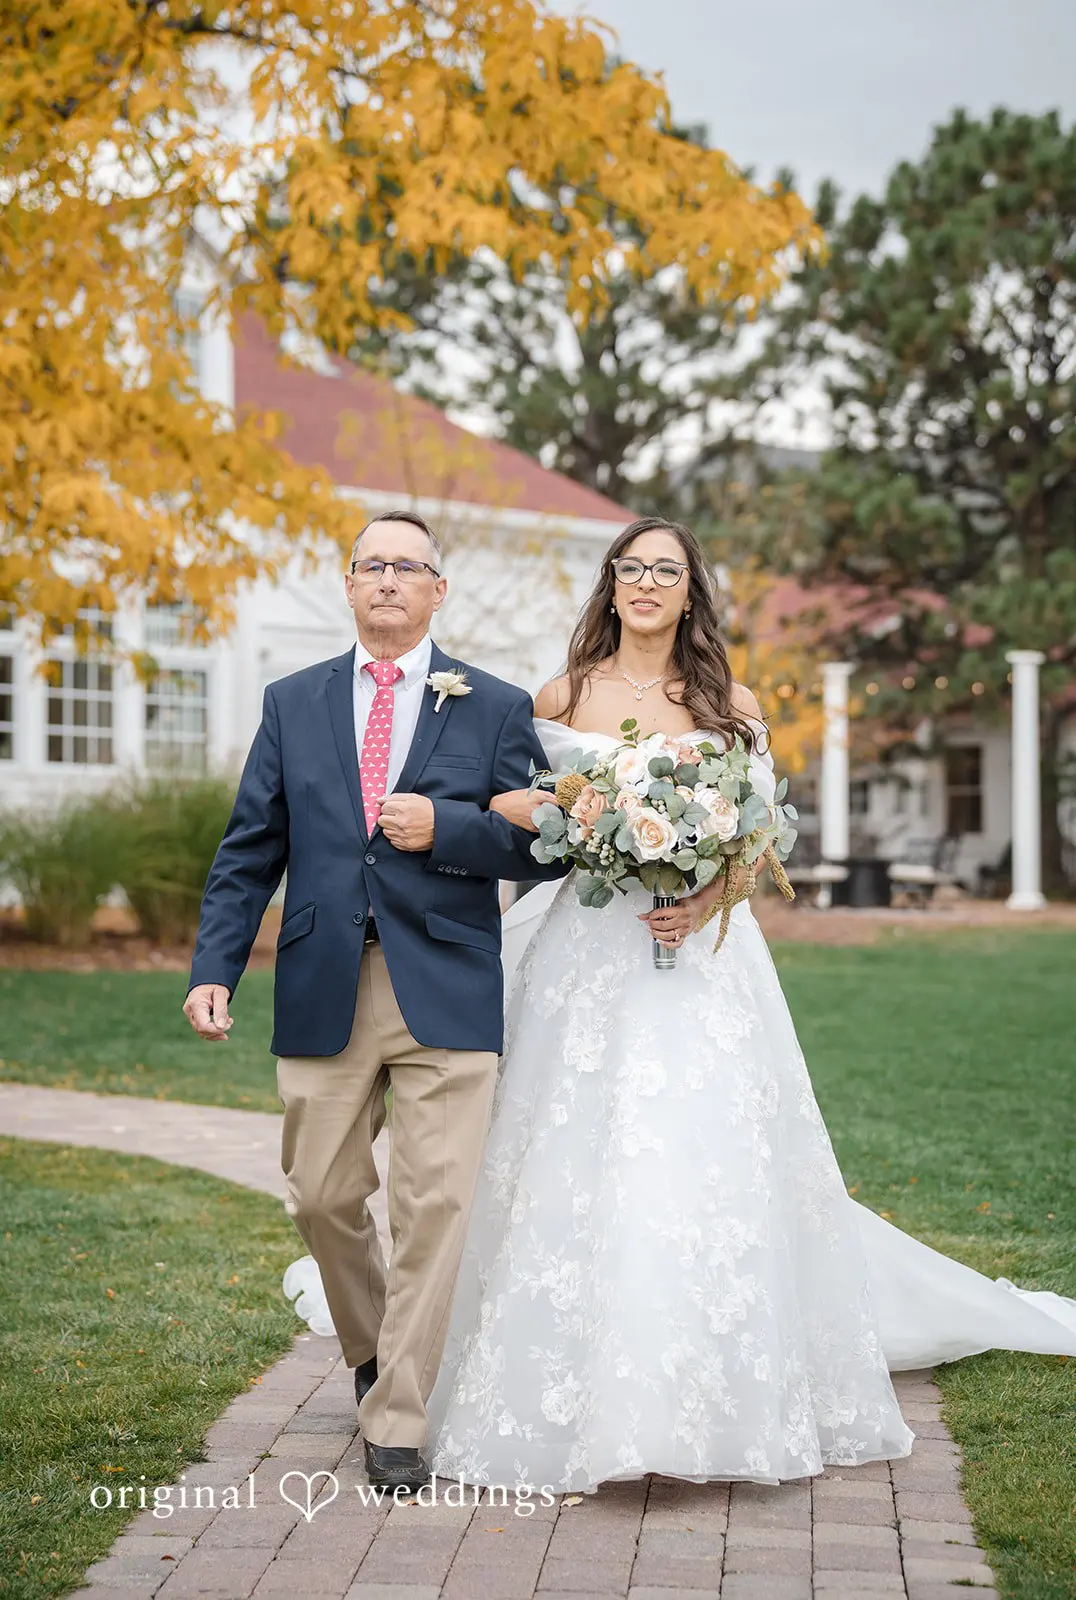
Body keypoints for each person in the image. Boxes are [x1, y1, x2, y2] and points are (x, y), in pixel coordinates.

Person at [285, 515, 1076, 1494]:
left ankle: (705, 1388)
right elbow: (521, 815)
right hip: (582, 948)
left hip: (697, 957)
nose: (648, 583)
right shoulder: (559, 696)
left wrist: (705, 892)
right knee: (559, 1148)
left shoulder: (724, 699)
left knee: (698, 1153)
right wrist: (577, 824)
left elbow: (753, 841)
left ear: (690, 590)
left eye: (666, 570)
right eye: (632, 568)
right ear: (610, 585)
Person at [184, 509, 567, 1494]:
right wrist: (213, 965)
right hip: (322, 983)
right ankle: (370, 1349)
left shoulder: (494, 704)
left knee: (433, 1202)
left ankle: (396, 1412)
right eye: (372, 565)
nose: (389, 579)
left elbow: (539, 844)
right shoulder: (292, 701)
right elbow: (248, 850)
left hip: (444, 986)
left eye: (409, 566)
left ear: (439, 589)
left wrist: (442, 825)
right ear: (349, 585)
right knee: (320, 1194)